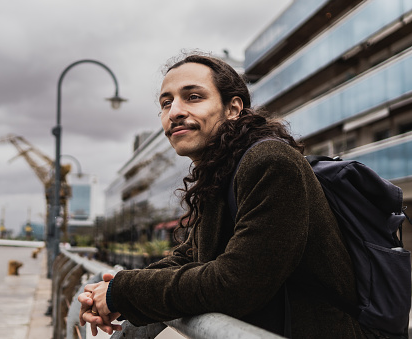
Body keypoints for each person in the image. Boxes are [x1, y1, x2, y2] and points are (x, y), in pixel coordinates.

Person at [78, 53, 364, 338]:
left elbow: (238, 283)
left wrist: (122, 292)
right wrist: (109, 292)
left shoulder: (271, 162)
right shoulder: (221, 172)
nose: (174, 111)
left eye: (193, 97)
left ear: (233, 108)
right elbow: (189, 259)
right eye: (166, 103)